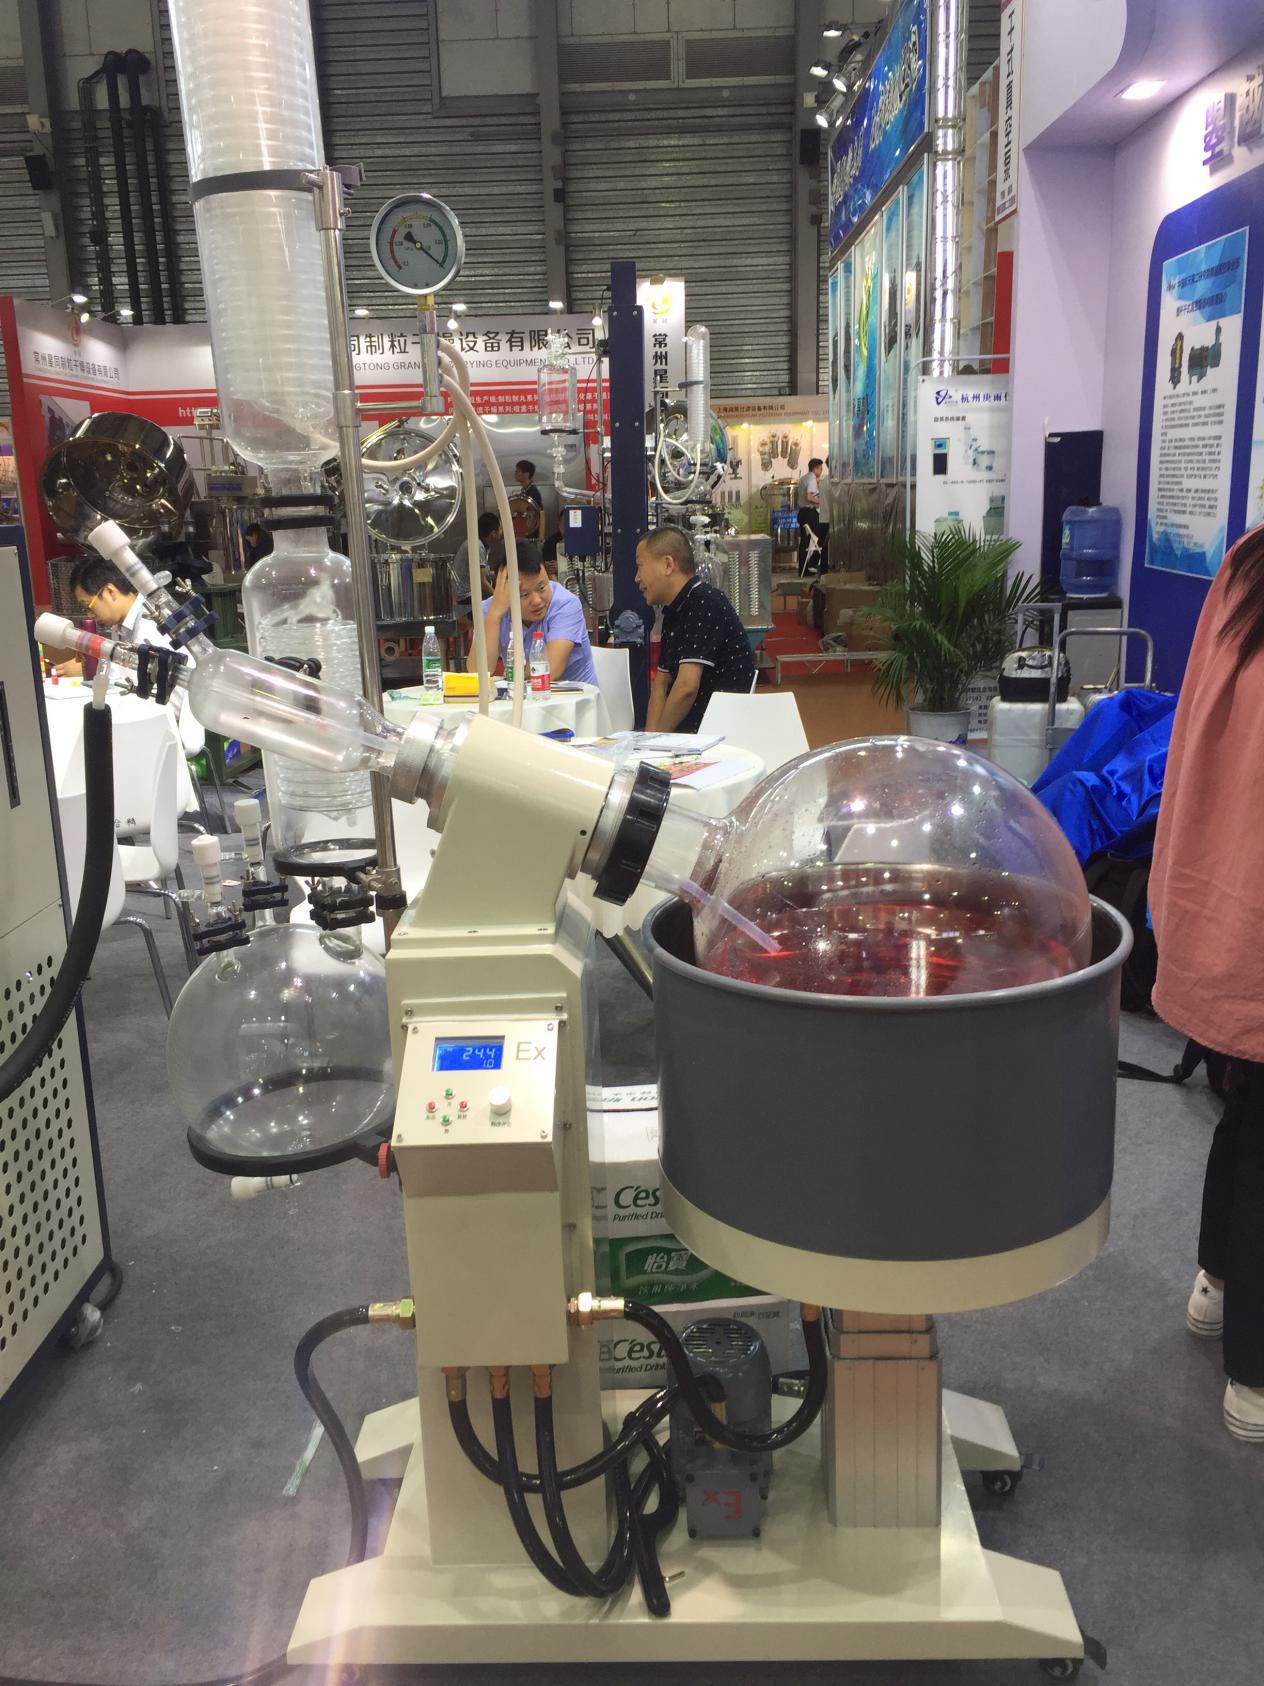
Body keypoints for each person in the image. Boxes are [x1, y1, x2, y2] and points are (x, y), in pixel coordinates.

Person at [1150, 523, 1264, 1443]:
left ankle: (1216, 1282)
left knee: (1250, 1105)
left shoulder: (1248, 562)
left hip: (1237, 899)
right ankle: (1254, 1370)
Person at [50, 555, 203, 755]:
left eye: (89, 605)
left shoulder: (150, 626)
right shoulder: (123, 627)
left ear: (110, 591)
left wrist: (95, 669)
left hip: (167, 734)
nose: (89, 615)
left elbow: (140, 685)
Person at [635, 526, 755, 734]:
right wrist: (649, 740)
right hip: (687, 735)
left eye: (640, 566)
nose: (637, 578)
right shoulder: (673, 610)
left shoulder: (705, 603)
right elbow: (660, 685)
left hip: (717, 735)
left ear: (668, 564)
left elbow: (686, 688)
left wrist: (657, 741)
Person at [481, 540, 597, 686]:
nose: (536, 600)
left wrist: (514, 673)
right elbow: (478, 671)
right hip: (523, 697)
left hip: (574, 698)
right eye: (524, 594)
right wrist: (494, 615)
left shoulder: (566, 604)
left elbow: (550, 669)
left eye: (542, 587)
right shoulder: (492, 608)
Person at [454, 511, 501, 600]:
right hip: (467, 596)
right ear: (493, 533)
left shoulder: (479, 543)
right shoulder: (478, 546)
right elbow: (482, 582)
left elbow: (483, 574)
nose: (501, 532)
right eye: (500, 529)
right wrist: (498, 598)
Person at [795, 456, 824, 575]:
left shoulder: (803, 478)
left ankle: (803, 569)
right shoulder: (812, 479)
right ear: (815, 468)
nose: (821, 471)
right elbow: (809, 497)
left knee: (804, 542)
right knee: (823, 536)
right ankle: (813, 563)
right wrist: (822, 502)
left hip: (802, 513)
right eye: (820, 469)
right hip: (809, 513)